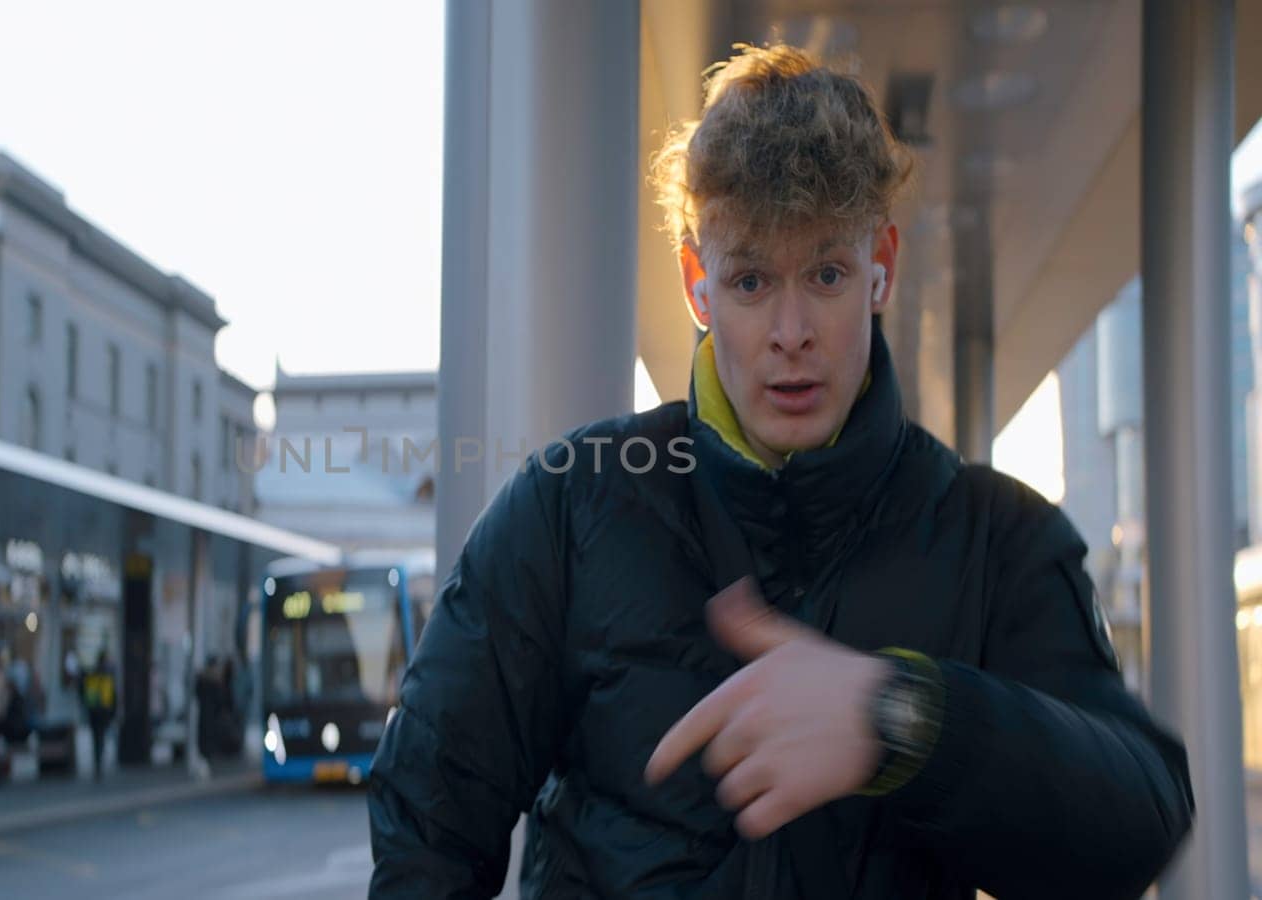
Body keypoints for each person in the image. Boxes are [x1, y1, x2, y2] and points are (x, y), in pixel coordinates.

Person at [368, 44, 1193, 899]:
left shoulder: (996, 537)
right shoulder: (568, 507)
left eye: (827, 274)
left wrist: (906, 720)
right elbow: (429, 821)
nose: (791, 330)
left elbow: (1141, 821)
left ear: (883, 266)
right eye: (752, 279)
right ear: (697, 282)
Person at [80, 649, 118, 782]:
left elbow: (84, 691)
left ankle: (98, 761)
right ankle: (99, 760)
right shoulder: (107, 674)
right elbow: (113, 695)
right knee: (100, 737)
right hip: (103, 711)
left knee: (97, 737)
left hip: (94, 710)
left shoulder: (93, 673)